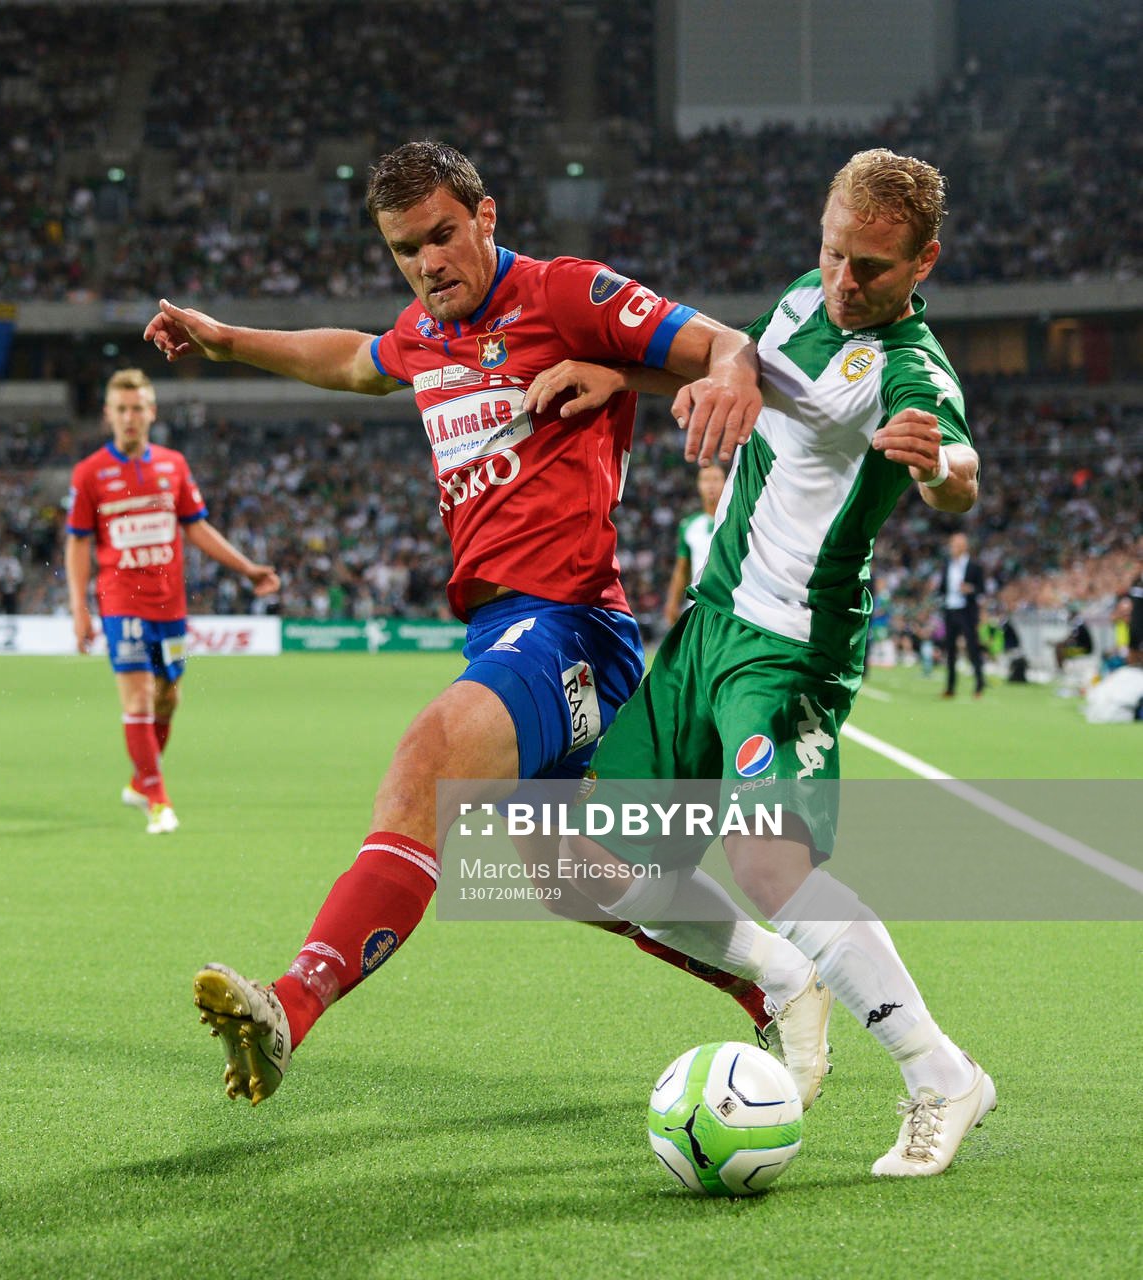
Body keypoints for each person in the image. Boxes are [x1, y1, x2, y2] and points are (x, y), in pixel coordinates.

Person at [144, 141, 829, 1107]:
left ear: (485, 217)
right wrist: (227, 338)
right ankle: (775, 976)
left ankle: (289, 1007)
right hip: (504, 627)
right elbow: (349, 359)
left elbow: (727, 344)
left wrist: (709, 377)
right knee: (566, 873)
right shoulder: (425, 331)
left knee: (424, 764)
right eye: (404, 250)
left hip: (569, 624)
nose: (427, 263)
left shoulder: (567, 295)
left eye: (441, 235)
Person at [553, 149, 994, 1177]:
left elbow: (958, 475)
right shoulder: (804, 298)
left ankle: (938, 1075)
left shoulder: (910, 372)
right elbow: (744, 360)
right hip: (709, 623)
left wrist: (941, 471)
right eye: (834, 253)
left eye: (873, 269)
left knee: (767, 863)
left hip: (789, 648)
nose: (845, 282)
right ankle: (781, 978)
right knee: (576, 862)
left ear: (921, 260)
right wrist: (633, 372)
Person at [64, 368, 281, 835]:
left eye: (137, 407)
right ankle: (158, 800)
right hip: (121, 604)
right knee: (139, 696)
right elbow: (78, 543)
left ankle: (141, 779)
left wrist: (247, 568)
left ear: (151, 412)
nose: (129, 417)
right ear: (107, 415)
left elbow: (196, 527)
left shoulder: (173, 466)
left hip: (170, 607)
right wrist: (80, 608)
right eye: (120, 409)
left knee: (169, 696)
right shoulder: (89, 474)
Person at [663, 462, 724, 628]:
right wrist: (672, 603)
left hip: (730, 604)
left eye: (716, 479)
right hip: (698, 605)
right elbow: (681, 569)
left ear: (726, 483)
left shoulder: (736, 521)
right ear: (698, 486)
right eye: (705, 479)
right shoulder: (689, 525)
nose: (711, 484)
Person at [939, 531, 987, 697]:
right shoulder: (947, 564)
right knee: (950, 650)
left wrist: (970, 589)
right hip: (950, 609)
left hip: (966, 611)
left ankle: (980, 684)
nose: (953, 548)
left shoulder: (975, 566)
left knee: (972, 648)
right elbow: (942, 587)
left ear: (964, 547)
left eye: (956, 545)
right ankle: (950, 687)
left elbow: (982, 589)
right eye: (952, 544)